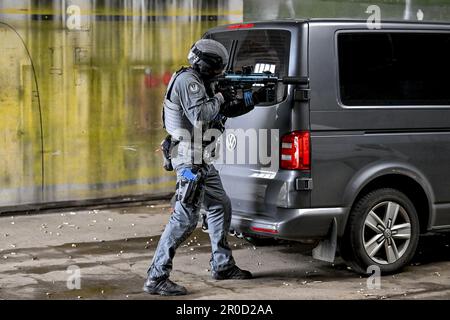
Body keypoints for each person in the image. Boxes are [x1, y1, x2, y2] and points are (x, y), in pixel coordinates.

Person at [143, 39, 266, 296]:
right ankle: (156, 277)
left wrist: (250, 98)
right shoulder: (188, 81)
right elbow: (201, 115)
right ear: (204, 65)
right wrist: (222, 95)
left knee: (220, 205)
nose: (219, 73)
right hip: (189, 159)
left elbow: (224, 112)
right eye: (216, 69)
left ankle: (222, 265)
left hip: (202, 159)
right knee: (185, 219)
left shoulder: (201, 81)